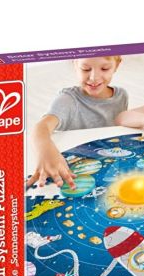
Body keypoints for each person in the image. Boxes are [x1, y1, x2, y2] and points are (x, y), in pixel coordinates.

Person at [27, 56, 128, 189]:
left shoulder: (121, 96)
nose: (94, 77)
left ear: (117, 66)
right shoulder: (67, 100)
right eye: (85, 69)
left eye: (104, 68)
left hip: (107, 168)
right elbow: (41, 127)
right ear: (75, 64)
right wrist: (45, 153)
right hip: (76, 171)